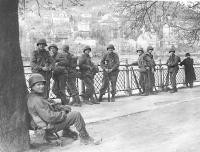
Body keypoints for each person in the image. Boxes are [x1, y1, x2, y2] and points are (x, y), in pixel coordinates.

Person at [27, 73, 101, 145]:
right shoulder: (37, 100)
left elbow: (48, 105)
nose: (42, 86)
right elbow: (49, 117)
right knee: (76, 115)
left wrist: (61, 108)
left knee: (66, 108)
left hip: (44, 124)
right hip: (48, 126)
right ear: (32, 86)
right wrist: (63, 113)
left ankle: (67, 132)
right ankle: (85, 138)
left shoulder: (34, 96)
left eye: (42, 84)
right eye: (38, 85)